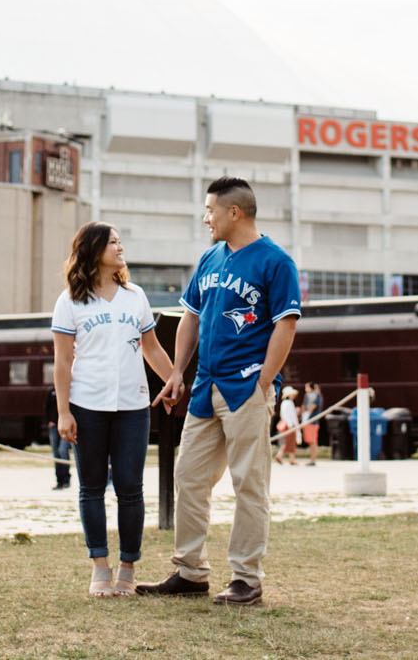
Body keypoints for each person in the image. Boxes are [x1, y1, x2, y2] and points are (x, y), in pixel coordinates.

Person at [140, 177, 300, 608]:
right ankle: (191, 572)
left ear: (235, 212)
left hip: (245, 387)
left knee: (249, 482)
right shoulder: (209, 259)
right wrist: (176, 371)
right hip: (205, 386)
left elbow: (286, 324)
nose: (205, 217)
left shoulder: (275, 262)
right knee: (189, 476)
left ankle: (247, 578)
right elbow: (190, 317)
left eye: (210, 209)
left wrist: (263, 382)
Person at [51, 222, 176, 598]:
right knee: (90, 488)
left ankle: (128, 567)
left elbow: (151, 348)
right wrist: (63, 412)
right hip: (86, 406)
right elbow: (61, 361)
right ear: (93, 250)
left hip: (133, 406)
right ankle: (99, 567)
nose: (120, 247)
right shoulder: (70, 301)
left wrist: (174, 380)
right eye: (112, 242)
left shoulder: (134, 296)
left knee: (130, 488)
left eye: (121, 241)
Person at [44, 386, 72, 491]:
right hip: (54, 426)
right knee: (56, 453)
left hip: (66, 425)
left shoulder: (70, 389)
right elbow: (47, 407)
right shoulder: (51, 391)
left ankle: (66, 478)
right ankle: (59, 480)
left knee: (63, 450)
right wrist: (49, 421)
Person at [275, 386, 299, 466]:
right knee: (288, 442)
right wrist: (290, 425)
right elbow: (286, 415)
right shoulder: (288, 403)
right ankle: (280, 455)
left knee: (290, 442)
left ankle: (291, 459)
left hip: (290, 424)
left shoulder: (286, 403)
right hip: (289, 425)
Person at [301, 382, 323, 465]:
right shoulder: (314, 396)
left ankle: (313, 460)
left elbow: (311, 408)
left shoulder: (315, 397)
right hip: (311, 421)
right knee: (312, 441)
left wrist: (305, 409)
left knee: (312, 441)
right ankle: (312, 459)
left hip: (311, 421)